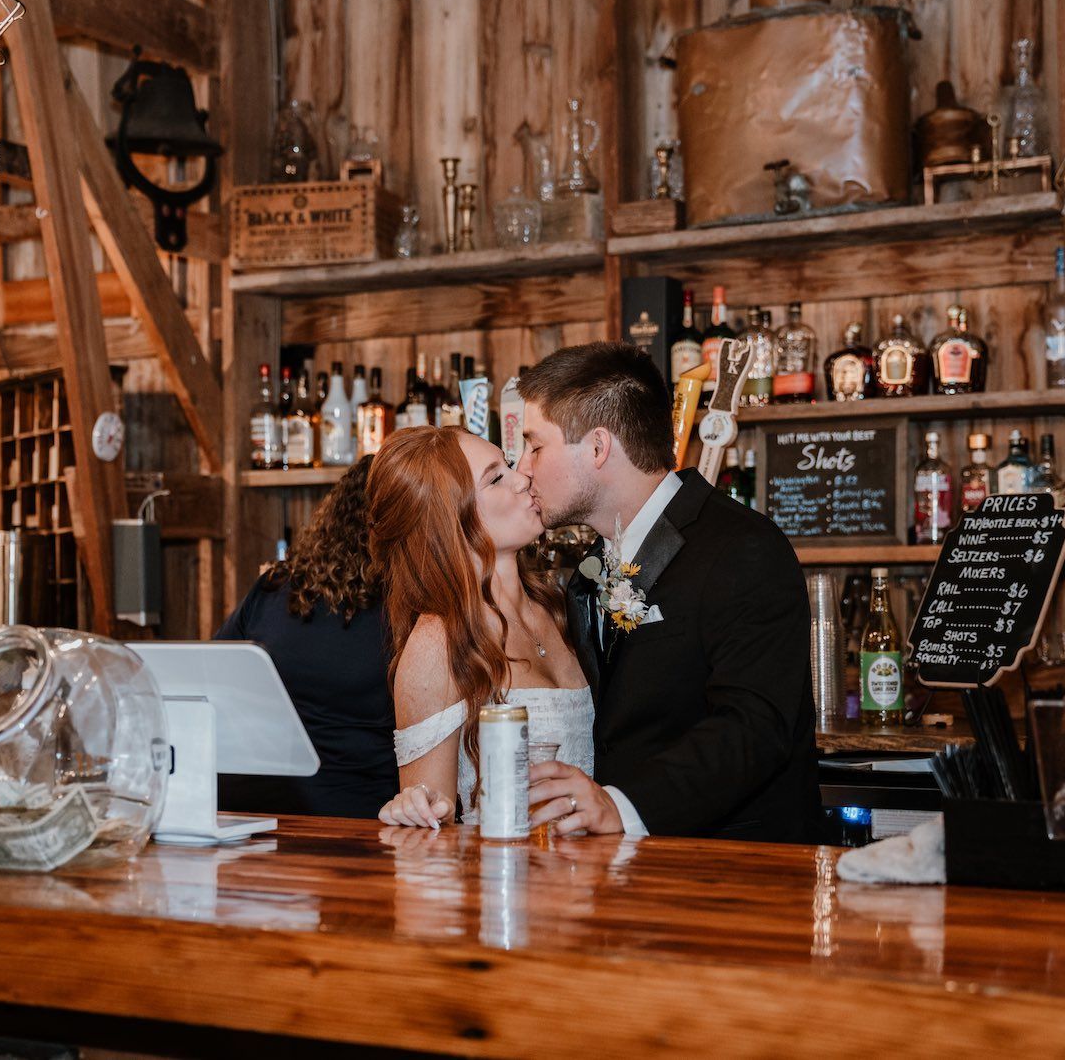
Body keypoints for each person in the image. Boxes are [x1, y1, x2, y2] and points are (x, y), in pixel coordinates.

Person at [517, 342, 818, 843]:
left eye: (535, 445)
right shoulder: (589, 571)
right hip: (629, 873)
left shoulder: (743, 548)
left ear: (597, 447)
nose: (524, 466)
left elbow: (755, 727)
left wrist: (620, 806)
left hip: (737, 869)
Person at [369, 425, 591, 828]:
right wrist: (413, 810)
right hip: (505, 878)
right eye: (496, 478)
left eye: (509, 465)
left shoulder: (556, 606)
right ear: (448, 520)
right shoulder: (440, 642)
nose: (524, 478)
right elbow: (430, 824)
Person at [215, 456, 398, 819]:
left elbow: (214, 672)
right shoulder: (410, 607)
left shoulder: (275, 587)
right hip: (358, 821)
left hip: (244, 812)